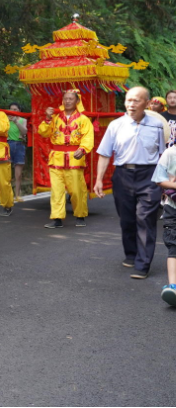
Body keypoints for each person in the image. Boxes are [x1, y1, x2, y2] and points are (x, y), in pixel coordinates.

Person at [94, 86, 166, 280]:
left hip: (149, 175)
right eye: (128, 100)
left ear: (147, 103)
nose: (131, 104)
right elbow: (104, 154)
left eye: (136, 100)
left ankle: (143, 264)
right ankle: (131, 254)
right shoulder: (115, 125)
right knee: (127, 219)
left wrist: (165, 181)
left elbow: (162, 155)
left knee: (145, 219)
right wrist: (99, 179)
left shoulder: (157, 125)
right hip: (123, 175)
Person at [38, 89, 94, 228]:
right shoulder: (55, 118)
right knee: (56, 190)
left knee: (76, 190)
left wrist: (82, 150)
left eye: (71, 99)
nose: (68, 101)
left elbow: (88, 137)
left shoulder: (83, 119)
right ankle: (57, 218)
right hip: (57, 158)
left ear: (77, 101)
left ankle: (80, 215)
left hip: (75, 158)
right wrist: (47, 118)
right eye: (65, 99)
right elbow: (43, 132)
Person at [152, 144, 176, 306]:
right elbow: (158, 179)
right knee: (173, 246)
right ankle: (173, 286)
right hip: (172, 207)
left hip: (171, 206)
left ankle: (173, 286)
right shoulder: (170, 152)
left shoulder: (170, 152)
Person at [7, 103, 28, 201]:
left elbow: (24, 132)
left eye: (15, 109)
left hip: (19, 145)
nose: (12, 111)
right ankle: (7, 195)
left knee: (18, 174)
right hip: (7, 145)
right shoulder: (5, 120)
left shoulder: (23, 120)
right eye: (11, 109)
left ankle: (17, 195)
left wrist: (16, 121)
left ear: (19, 110)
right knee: (6, 173)